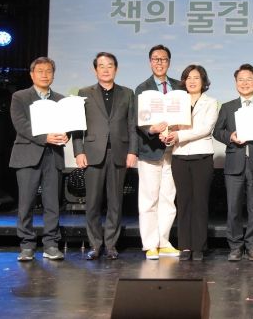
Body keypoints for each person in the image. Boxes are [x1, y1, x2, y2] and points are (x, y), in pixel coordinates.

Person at [73, 52, 138, 260]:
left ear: (116, 69)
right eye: (101, 66)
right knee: (92, 202)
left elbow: (132, 125)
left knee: (115, 203)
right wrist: (79, 151)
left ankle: (110, 245)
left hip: (119, 153)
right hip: (92, 153)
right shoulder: (84, 93)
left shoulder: (127, 93)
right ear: (95, 70)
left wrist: (132, 151)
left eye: (110, 65)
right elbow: (77, 126)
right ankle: (95, 244)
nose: (106, 69)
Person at [9, 57, 68, 262]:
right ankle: (27, 244)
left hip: (53, 155)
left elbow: (66, 125)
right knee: (26, 202)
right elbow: (21, 125)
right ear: (32, 74)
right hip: (27, 155)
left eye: (49, 71)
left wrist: (66, 134)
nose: (45, 75)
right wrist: (45, 138)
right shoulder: (20, 97)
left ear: (54, 75)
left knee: (52, 203)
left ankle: (51, 244)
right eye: (40, 71)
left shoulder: (61, 99)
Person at [213, 64, 253, 262]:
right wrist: (230, 136)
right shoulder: (228, 107)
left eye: (249, 79)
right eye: (241, 80)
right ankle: (235, 246)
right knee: (233, 208)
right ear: (236, 82)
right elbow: (217, 131)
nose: (245, 83)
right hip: (234, 163)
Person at [163, 65, 218, 261]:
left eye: (196, 77)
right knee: (183, 202)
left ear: (203, 81)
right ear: (184, 81)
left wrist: (178, 135)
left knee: (200, 202)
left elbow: (205, 129)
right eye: (188, 77)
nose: (192, 81)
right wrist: (168, 136)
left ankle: (199, 246)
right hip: (179, 155)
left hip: (202, 156)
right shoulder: (177, 102)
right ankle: (185, 246)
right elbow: (170, 126)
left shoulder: (211, 102)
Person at [134, 45, 181, 260]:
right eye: (155, 59)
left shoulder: (179, 87)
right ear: (150, 62)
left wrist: (175, 132)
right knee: (149, 200)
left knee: (168, 199)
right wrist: (152, 129)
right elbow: (138, 119)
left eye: (163, 59)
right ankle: (150, 244)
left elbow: (185, 116)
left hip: (174, 150)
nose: (159, 62)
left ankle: (164, 242)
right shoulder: (142, 88)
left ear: (169, 62)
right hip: (150, 150)